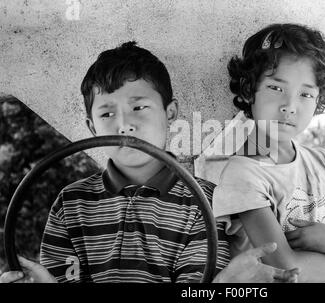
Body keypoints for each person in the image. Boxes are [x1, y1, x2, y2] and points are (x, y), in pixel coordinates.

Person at [0, 41, 299, 283]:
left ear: (170, 114)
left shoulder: (207, 202)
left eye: (138, 107)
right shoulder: (71, 203)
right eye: (106, 114)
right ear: (92, 128)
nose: (124, 125)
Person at [212, 23, 325, 282]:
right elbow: (289, 272)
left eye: (306, 94)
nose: (290, 106)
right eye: (276, 88)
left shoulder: (324, 164)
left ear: (318, 100)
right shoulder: (243, 174)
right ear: (250, 90)